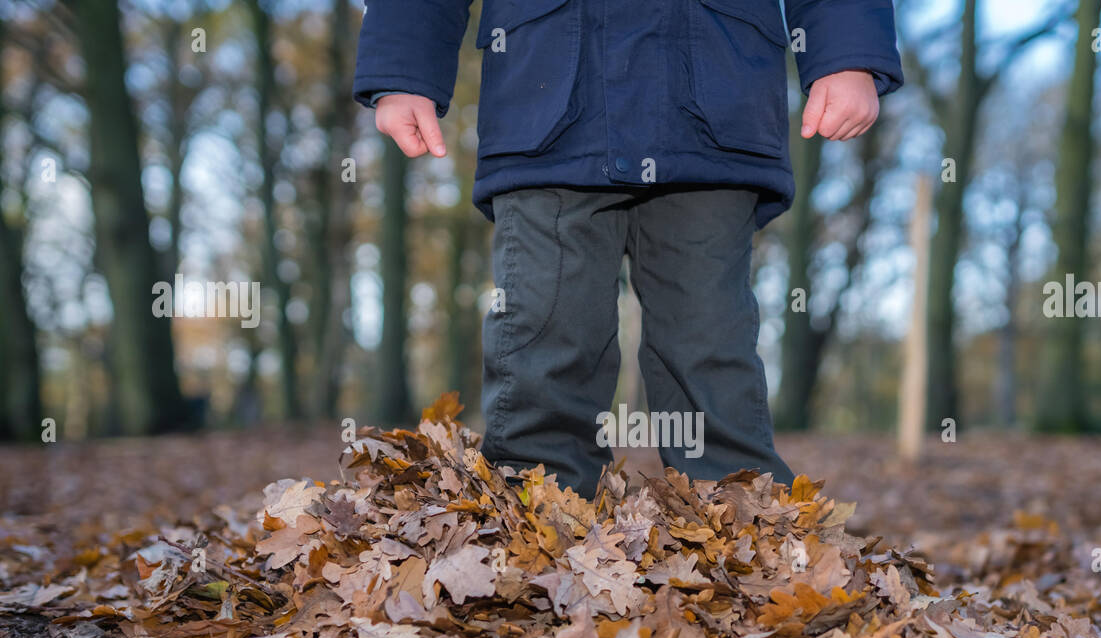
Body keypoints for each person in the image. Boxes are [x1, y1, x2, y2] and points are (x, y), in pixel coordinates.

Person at [354, 0, 903, 498]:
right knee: (548, 323)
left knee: (709, 335)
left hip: (713, 110)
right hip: (548, 111)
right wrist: (404, 69)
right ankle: (537, 501)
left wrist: (847, 55)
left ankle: (740, 504)